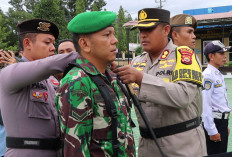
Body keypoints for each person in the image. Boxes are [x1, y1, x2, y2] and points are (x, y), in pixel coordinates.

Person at [114, 8, 207, 157]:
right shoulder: (138, 61)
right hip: (147, 145)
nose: (143, 34)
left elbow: (183, 96)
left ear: (166, 30)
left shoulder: (183, 57)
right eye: (140, 30)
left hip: (182, 144)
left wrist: (141, 78)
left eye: (149, 29)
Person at [55, 11, 135, 157]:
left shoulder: (110, 76)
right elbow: (76, 150)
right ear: (85, 44)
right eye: (107, 35)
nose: (115, 40)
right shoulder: (77, 82)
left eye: (113, 34)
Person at [0, 19, 78, 157]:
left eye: (53, 43)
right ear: (27, 43)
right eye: (47, 42)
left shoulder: (52, 80)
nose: (53, 47)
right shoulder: (10, 73)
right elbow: (49, 65)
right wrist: (92, 54)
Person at [202, 40, 231, 155]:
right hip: (215, 123)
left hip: (222, 122)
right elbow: (206, 104)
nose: (225, 56)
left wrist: (225, 125)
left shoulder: (217, 74)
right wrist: (211, 130)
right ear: (211, 56)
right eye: (221, 53)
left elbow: (220, 102)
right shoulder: (208, 75)